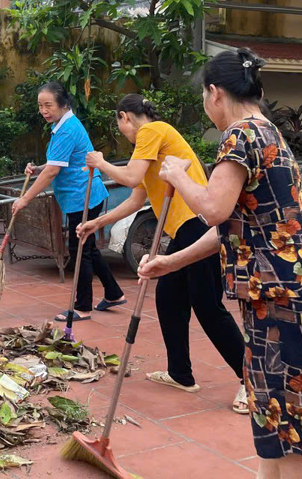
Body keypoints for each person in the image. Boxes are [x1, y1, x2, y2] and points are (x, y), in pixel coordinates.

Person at [140, 48, 302, 478]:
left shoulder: (242, 135)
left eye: (205, 99)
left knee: (293, 416)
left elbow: (212, 209)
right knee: (269, 407)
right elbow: (229, 227)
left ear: (214, 93)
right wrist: (171, 262)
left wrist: (177, 175)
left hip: (283, 291)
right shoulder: (269, 133)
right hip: (279, 290)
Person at [80, 94, 247, 413]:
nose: (123, 131)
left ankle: (252, 382)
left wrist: (100, 163)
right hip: (184, 230)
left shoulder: (151, 131)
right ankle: (180, 373)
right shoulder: (150, 145)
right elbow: (134, 197)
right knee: (169, 298)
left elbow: (128, 176)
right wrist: (96, 223)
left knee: (208, 306)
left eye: (120, 124)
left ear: (124, 117)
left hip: (197, 226)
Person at [12, 82, 124, 321]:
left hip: (81, 197)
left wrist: (24, 200)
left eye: (48, 105)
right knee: (88, 246)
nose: (44, 110)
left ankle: (82, 307)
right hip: (82, 195)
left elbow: (52, 172)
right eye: (41, 106)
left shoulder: (66, 130)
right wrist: (38, 167)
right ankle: (114, 293)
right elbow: (57, 164)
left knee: (79, 249)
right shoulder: (63, 125)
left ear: (63, 104)